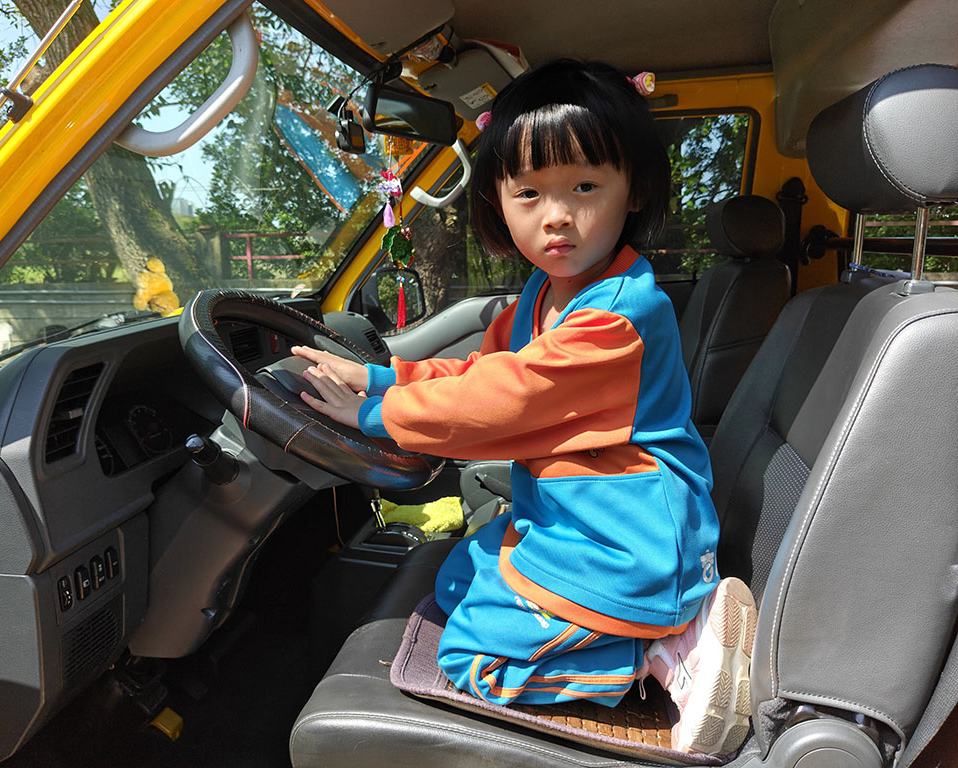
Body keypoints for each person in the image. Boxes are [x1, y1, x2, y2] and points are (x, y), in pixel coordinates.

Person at [292, 59, 756, 757]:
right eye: (530, 192)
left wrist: (370, 417)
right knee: (453, 578)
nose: (557, 215)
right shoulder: (548, 290)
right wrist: (381, 380)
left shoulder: (620, 316)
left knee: (469, 659)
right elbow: (484, 370)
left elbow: (503, 401)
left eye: (585, 187)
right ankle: (639, 633)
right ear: (498, 200)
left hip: (625, 541)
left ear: (633, 189)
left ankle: (655, 654)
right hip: (572, 516)